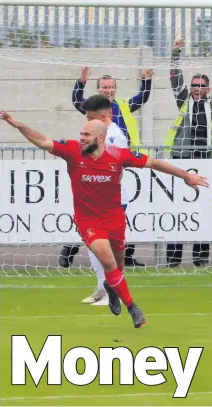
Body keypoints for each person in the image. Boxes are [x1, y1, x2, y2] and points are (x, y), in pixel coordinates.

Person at [0, 111, 209, 328]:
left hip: (114, 218)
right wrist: (17, 125)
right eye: (81, 133)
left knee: (118, 266)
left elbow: (154, 163)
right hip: (88, 220)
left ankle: (112, 287)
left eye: (86, 135)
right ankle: (133, 308)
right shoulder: (72, 150)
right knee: (108, 261)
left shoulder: (118, 155)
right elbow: (43, 141)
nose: (82, 138)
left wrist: (186, 176)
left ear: (100, 137)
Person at [59, 67, 154, 269]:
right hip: (95, 169)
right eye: (104, 87)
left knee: (117, 218)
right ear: (98, 89)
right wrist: (80, 83)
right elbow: (77, 102)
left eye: (111, 87)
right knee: (93, 219)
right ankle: (71, 250)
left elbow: (142, 98)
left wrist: (146, 81)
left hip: (118, 168)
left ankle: (120, 262)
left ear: (115, 89)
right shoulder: (93, 110)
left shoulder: (123, 106)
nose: (108, 90)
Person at [163, 37, 212, 268]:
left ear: (207, 89)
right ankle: (173, 259)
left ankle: (201, 258)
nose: (197, 89)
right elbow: (174, 80)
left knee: (203, 210)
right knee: (179, 208)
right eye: (194, 85)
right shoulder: (184, 102)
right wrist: (175, 53)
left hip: (206, 162)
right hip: (182, 160)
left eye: (201, 85)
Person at [79, 94, 133, 306]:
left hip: (112, 199)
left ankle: (111, 290)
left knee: (108, 249)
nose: (88, 122)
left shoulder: (115, 136)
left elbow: (118, 169)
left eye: (91, 117)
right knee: (94, 246)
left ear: (103, 116)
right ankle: (102, 287)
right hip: (93, 199)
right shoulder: (95, 133)